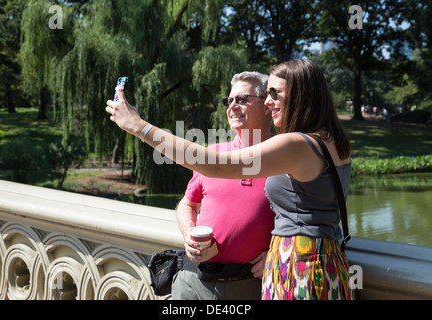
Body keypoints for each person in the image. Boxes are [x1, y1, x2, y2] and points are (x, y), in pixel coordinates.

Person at [106, 58, 355, 300]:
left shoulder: (297, 145)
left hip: (299, 266)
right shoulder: (334, 142)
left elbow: (212, 165)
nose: (269, 102)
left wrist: (139, 127)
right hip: (328, 260)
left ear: (301, 96)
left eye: (275, 94)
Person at [171, 71, 275, 300]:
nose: (232, 107)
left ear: (267, 106)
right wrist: (189, 233)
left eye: (242, 99)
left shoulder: (285, 157)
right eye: (229, 101)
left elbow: (305, 220)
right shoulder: (212, 155)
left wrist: (276, 253)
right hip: (192, 281)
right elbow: (187, 204)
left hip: (249, 285)